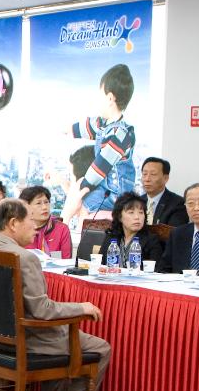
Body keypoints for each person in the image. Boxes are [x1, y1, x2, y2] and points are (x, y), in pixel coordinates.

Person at [0, 200, 110, 391]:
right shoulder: (24, 257)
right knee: (99, 347)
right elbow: (42, 310)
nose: (36, 227)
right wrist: (81, 307)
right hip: (26, 340)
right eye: (31, 220)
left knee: (64, 336)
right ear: (13, 223)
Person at [64, 64, 136, 220]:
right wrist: (69, 130)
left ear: (110, 98)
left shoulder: (120, 134)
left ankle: (84, 237)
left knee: (84, 206)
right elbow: (88, 126)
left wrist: (83, 188)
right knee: (81, 202)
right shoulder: (104, 124)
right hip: (106, 189)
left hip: (117, 194)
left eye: (99, 96)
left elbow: (100, 167)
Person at [105, 191, 164, 264]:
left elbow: (155, 270)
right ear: (119, 217)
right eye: (131, 212)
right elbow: (100, 264)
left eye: (141, 212)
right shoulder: (112, 237)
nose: (137, 217)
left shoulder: (151, 241)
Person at [19, 185, 72, 258]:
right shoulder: (19, 230)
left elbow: (66, 260)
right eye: (38, 203)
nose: (44, 207)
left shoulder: (62, 229)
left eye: (46, 202)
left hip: (55, 269)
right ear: (26, 207)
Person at [139, 157, 187, 227]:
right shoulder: (137, 201)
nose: (147, 179)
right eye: (144, 174)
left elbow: (174, 234)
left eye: (153, 174)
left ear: (165, 178)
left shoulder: (178, 204)